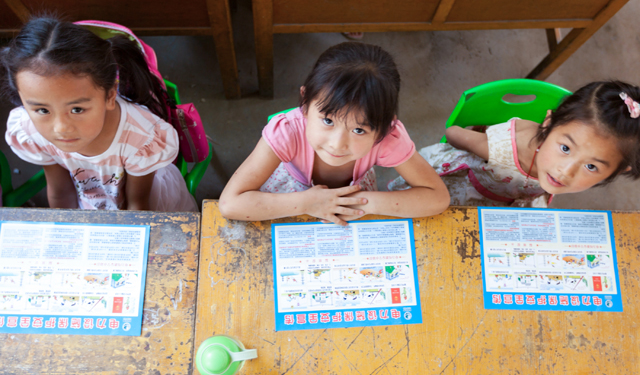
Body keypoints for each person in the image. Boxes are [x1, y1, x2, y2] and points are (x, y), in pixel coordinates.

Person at [219, 42, 449, 225]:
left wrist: (362, 203)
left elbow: (437, 197)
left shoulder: (388, 137)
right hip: (288, 196)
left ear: (385, 127)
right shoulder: (288, 132)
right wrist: (307, 203)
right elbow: (231, 203)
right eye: (328, 120)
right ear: (305, 104)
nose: (338, 144)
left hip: (354, 202)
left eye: (359, 130)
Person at [1, 17, 197, 211]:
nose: (60, 128)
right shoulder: (32, 130)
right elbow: (61, 192)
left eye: (77, 109)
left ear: (110, 95)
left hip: (142, 209)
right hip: (88, 203)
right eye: (42, 110)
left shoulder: (140, 138)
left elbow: (137, 205)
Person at [388, 81, 640, 207]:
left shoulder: (553, 173)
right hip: (458, 191)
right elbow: (454, 133)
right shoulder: (505, 149)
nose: (566, 171)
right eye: (565, 148)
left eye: (592, 167)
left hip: (508, 204)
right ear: (548, 124)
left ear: (618, 171)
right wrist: (478, 136)